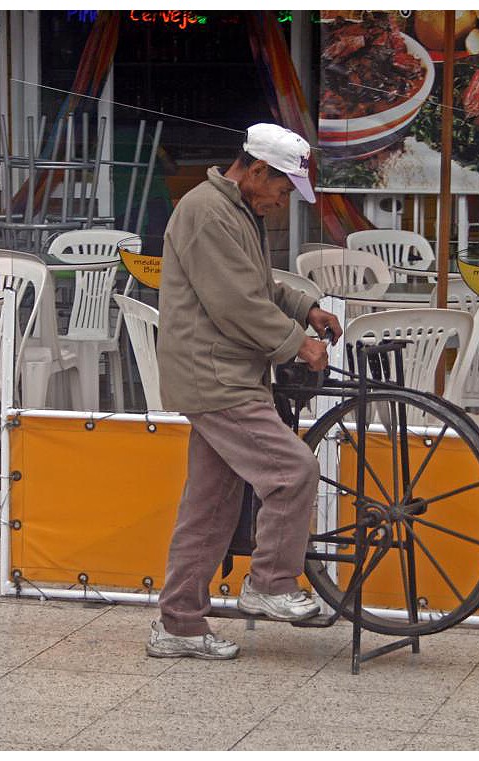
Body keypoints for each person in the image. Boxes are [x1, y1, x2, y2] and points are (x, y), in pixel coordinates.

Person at [146, 123, 343, 660]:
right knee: (293, 469)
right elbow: (235, 302)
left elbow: (257, 282)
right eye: (282, 189)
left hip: (227, 372)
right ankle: (272, 584)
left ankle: (179, 626)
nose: (283, 202)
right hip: (217, 376)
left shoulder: (233, 210)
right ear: (257, 171)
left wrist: (305, 309)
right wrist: (297, 343)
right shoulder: (207, 211)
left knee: (209, 505)